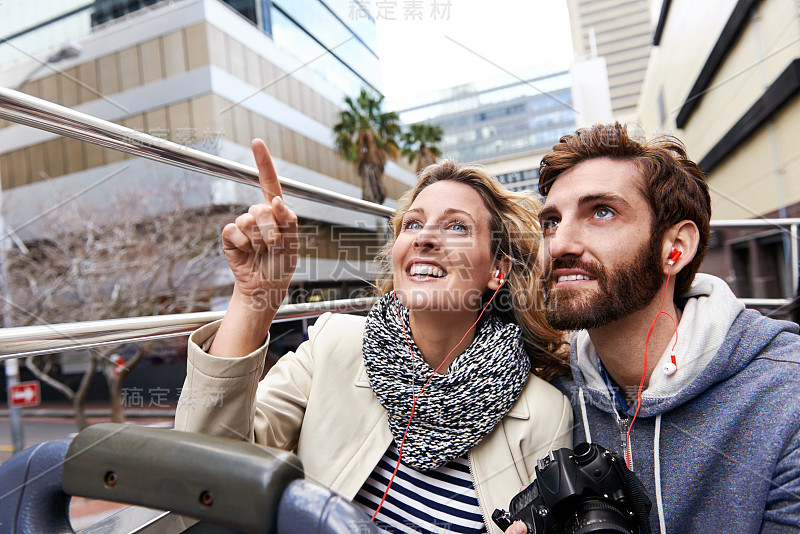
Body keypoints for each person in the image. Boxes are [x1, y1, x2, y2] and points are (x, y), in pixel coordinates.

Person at [175, 139, 573, 534]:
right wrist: (253, 299)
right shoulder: (333, 344)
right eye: (413, 224)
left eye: (456, 227)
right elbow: (204, 477)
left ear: (496, 271)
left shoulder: (546, 414)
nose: (425, 238)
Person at [506, 123, 800, 534]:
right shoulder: (553, 395)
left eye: (601, 212)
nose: (559, 244)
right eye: (551, 221)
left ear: (675, 248)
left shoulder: (785, 399)